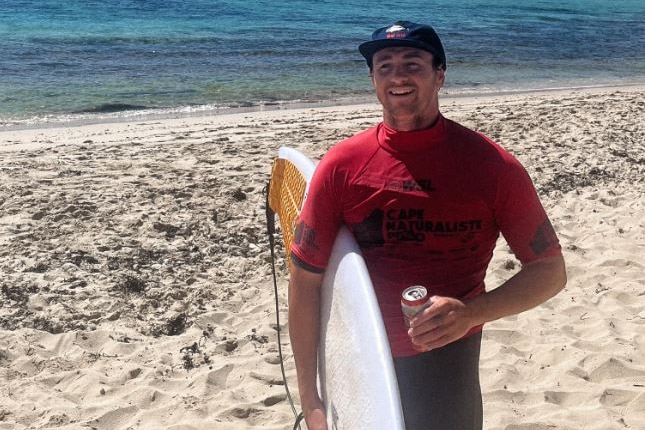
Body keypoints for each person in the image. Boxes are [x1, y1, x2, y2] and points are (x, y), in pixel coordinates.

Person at [287, 21, 567, 430]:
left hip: (448, 360)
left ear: (440, 75)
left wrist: (471, 313)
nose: (397, 75)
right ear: (372, 79)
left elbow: (550, 271)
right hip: (357, 356)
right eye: (384, 66)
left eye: (412, 63)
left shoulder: (492, 167)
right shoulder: (341, 167)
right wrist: (310, 397)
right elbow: (305, 279)